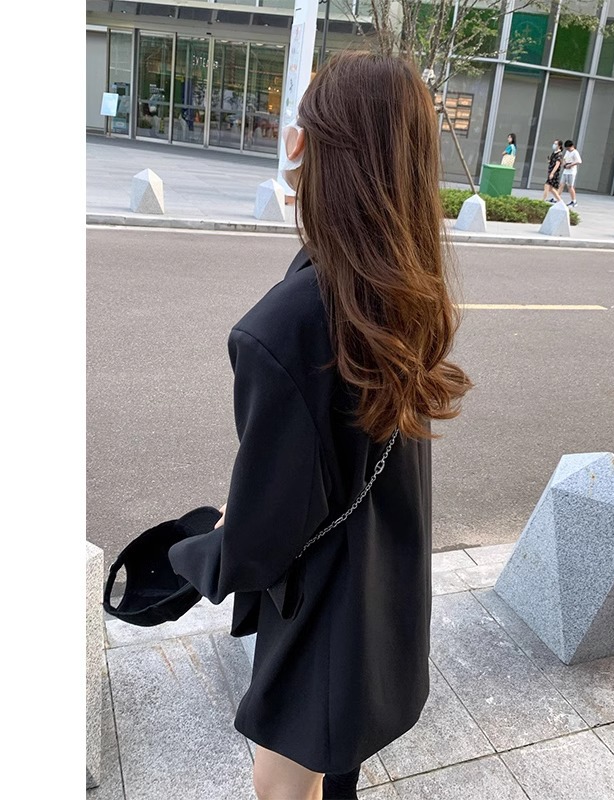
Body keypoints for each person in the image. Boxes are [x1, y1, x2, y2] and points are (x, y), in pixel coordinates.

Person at [167, 51, 473, 800]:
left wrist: (196, 553)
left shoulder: (286, 326)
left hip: (319, 616)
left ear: (303, 145)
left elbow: (260, 540)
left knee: (281, 787)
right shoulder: (402, 286)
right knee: (338, 770)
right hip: (384, 589)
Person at [558, 139, 582, 207]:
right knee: (561, 184)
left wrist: (570, 165)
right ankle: (557, 198)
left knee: (570, 186)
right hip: (565, 171)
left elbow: (579, 161)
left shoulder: (575, 152)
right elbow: (564, 159)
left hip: (571, 172)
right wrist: (564, 164)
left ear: (572, 146)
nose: (568, 149)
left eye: (568, 148)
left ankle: (574, 201)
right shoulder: (567, 152)